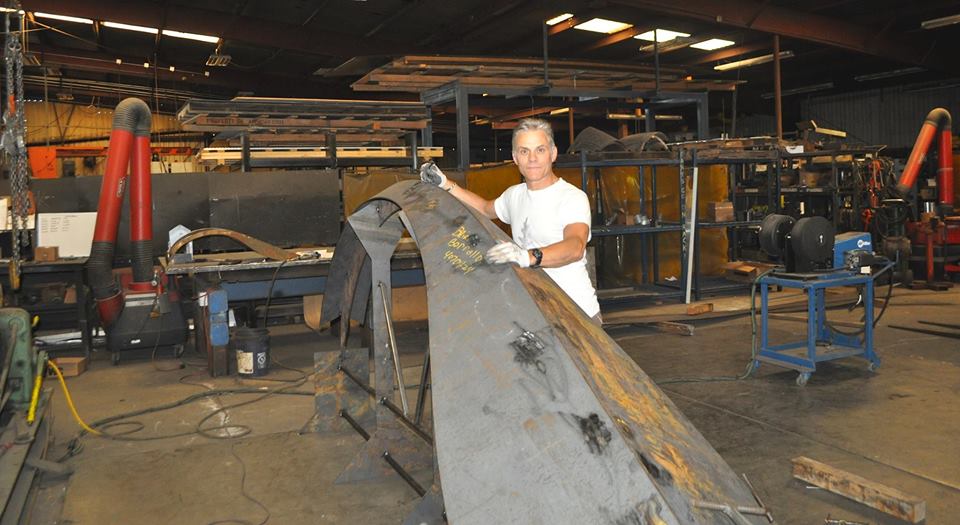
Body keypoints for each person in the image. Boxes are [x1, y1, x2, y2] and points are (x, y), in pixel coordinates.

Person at [420, 118, 601, 325]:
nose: (532, 158)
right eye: (524, 151)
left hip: (575, 313)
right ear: (515, 157)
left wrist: (527, 257)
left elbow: (575, 247)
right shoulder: (514, 195)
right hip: (536, 311)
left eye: (540, 150)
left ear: (553, 154)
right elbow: (485, 209)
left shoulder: (571, 198)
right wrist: (445, 184)